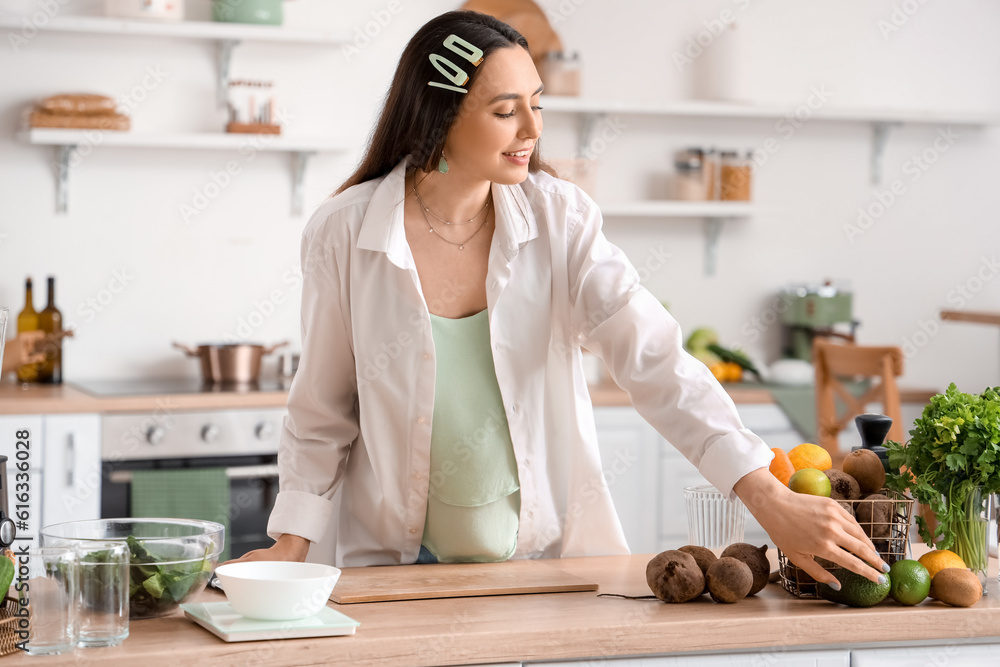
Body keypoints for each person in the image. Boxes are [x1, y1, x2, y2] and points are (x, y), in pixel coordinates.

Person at [231, 10, 888, 589]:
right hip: (399, 572)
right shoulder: (345, 231)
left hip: (543, 569)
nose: (530, 129)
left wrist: (766, 495)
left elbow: (657, 362)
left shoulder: (560, 219)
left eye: (536, 104)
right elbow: (321, 411)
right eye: (503, 110)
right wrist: (291, 544)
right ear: (440, 113)